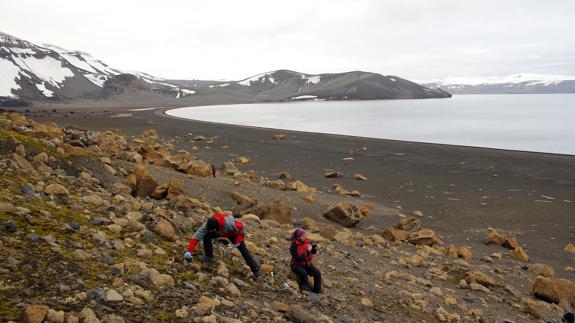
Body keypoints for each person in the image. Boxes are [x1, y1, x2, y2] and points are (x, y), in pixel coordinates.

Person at [184, 213, 260, 277]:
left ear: (217, 227)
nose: (210, 230)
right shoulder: (207, 226)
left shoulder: (230, 223)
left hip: (233, 234)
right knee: (206, 236)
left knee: (243, 250)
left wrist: (237, 241)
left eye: (212, 229)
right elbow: (196, 236)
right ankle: (209, 256)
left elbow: (243, 228)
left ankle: (255, 269)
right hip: (219, 232)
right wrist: (189, 251)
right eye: (210, 229)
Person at [290, 228, 321, 293]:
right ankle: (304, 290)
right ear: (298, 237)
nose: (305, 237)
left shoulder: (307, 242)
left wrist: (314, 247)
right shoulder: (293, 246)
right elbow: (298, 258)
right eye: (303, 236)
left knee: (317, 273)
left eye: (305, 235)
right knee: (304, 273)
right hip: (296, 264)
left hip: (306, 263)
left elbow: (313, 252)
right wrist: (307, 251)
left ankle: (316, 291)